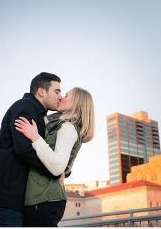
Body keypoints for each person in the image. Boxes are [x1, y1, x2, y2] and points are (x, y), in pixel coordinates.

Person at [0, 72, 65, 227]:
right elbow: (24, 149)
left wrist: (61, 169)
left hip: (12, 201)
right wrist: (54, 171)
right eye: (56, 91)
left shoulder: (37, 113)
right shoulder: (26, 106)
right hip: (2, 199)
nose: (60, 96)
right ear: (41, 91)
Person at [14, 87, 95, 227]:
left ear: (77, 103)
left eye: (67, 95)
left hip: (44, 199)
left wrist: (35, 136)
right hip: (43, 198)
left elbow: (57, 167)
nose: (61, 97)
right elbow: (63, 165)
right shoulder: (63, 126)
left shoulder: (68, 127)